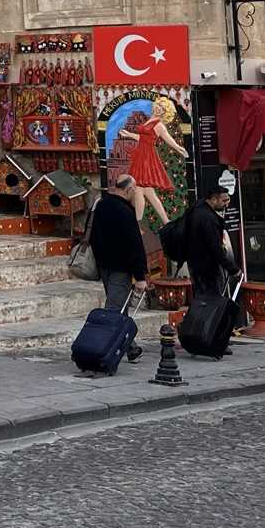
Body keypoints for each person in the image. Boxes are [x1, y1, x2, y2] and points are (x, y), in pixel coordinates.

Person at [173, 169, 240, 362]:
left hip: (197, 265)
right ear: (214, 199)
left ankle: (200, 336)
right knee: (212, 306)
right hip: (207, 268)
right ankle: (210, 338)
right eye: (224, 200)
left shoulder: (197, 210)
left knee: (201, 304)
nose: (227, 204)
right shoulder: (208, 218)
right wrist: (232, 267)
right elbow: (215, 248)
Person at [88, 172, 149, 362]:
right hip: (120, 269)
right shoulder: (125, 211)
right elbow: (134, 245)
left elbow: (93, 237)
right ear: (128, 189)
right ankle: (100, 349)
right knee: (113, 311)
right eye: (134, 189)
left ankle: (130, 348)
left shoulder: (102, 205)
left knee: (119, 309)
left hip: (105, 266)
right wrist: (140, 277)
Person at [106, 97, 181, 229]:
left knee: (139, 188)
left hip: (147, 157)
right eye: (158, 106)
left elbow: (169, 140)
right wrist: (128, 134)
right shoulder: (150, 120)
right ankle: (166, 221)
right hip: (141, 155)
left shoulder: (159, 125)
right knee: (148, 192)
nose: (159, 109)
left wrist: (180, 149)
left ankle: (137, 223)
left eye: (162, 108)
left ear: (165, 112)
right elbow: (143, 139)